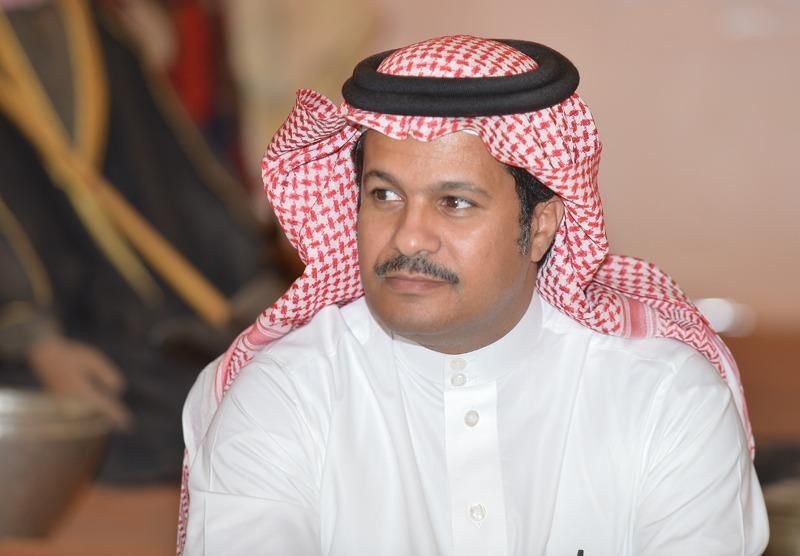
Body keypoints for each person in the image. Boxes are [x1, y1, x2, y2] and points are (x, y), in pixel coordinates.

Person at [180, 35, 768, 554]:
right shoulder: (284, 396)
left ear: (541, 226)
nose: (408, 236)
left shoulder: (665, 399)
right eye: (384, 195)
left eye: (455, 203)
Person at [0, 0, 285, 483]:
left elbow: (176, 173)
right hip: (39, 342)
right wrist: (36, 343)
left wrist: (254, 288)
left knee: (252, 386)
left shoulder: (97, 30)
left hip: (140, 317)